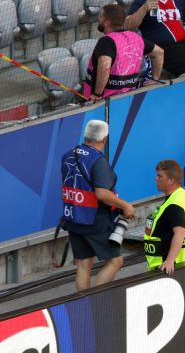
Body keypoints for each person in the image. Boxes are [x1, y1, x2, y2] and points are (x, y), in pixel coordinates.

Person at [60, 120, 136, 291]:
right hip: (95, 221)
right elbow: (102, 193)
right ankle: (98, 302)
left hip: (73, 218)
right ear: (104, 139)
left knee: (83, 265)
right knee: (116, 261)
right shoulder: (97, 161)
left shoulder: (68, 155)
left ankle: (86, 307)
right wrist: (125, 206)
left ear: (86, 135)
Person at [83, 5, 165, 100]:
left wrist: (97, 94)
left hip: (105, 102)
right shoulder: (136, 38)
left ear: (107, 23)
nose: (98, 19)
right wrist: (154, 79)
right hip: (127, 99)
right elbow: (159, 52)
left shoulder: (106, 41)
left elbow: (105, 67)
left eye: (101, 17)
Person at [143, 159, 185, 274]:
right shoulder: (182, 195)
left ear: (171, 180)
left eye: (160, 176)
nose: (156, 178)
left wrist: (169, 260)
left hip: (166, 268)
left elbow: (180, 232)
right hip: (183, 262)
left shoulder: (174, 204)